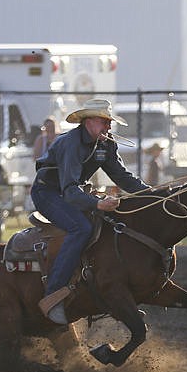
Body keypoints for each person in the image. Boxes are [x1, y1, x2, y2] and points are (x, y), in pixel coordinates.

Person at [31, 98, 150, 324]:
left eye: (109, 122)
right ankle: (53, 295)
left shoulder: (105, 143)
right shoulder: (71, 144)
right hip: (48, 194)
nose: (108, 127)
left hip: (72, 193)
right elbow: (69, 191)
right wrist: (96, 204)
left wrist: (152, 193)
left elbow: (121, 176)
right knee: (80, 228)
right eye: (104, 122)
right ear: (89, 121)